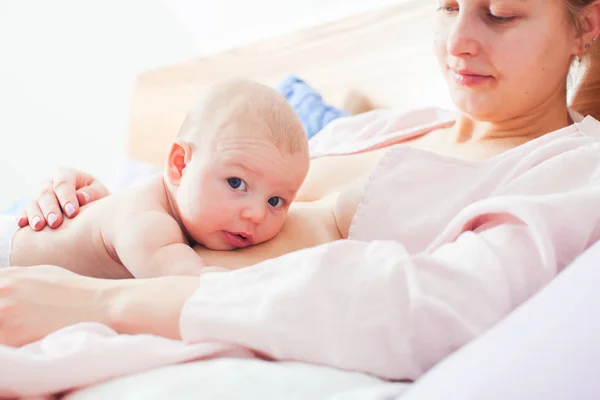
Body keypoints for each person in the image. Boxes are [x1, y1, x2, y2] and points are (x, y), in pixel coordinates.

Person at [2, 0, 600, 383]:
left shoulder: (575, 168)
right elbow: (191, 190)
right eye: (446, 7)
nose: (457, 42)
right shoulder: (372, 128)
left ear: (587, 25)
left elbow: (429, 309)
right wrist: (100, 203)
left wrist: (96, 304)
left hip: (101, 312)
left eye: (499, 13)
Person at [5, 80, 309, 279]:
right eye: (235, 183)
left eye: (275, 201)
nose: (256, 214)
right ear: (180, 165)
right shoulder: (150, 223)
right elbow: (197, 289)